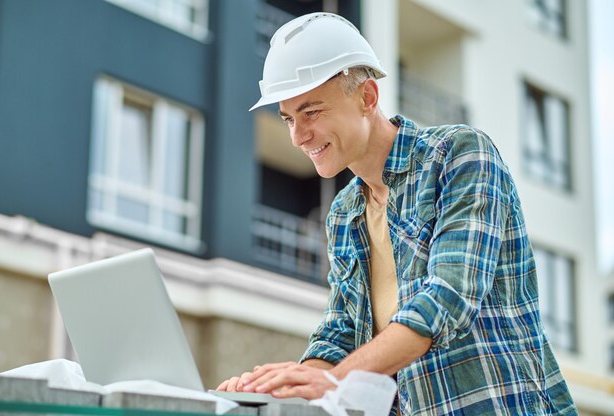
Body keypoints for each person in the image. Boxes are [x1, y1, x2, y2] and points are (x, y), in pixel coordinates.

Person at [217, 12, 577, 415]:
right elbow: (337, 338)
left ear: (368, 98)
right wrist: (278, 386)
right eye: (288, 118)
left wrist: (334, 379)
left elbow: (448, 297)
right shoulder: (343, 214)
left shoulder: (459, 155)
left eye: (311, 112)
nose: (298, 136)